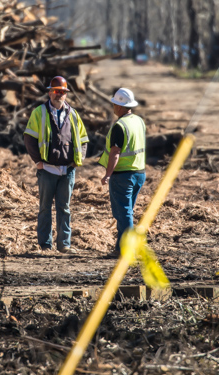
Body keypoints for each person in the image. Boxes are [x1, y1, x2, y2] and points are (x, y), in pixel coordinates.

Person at [24, 76, 89, 254]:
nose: (58, 94)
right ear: (49, 92)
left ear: (66, 94)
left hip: (67, 170)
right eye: (55, 91)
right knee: (45, 207)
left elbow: (83, 139)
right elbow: (29, 138)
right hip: (47, 169)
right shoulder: (39, 112)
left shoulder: (73, 114)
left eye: (61, 92)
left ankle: (64, 245)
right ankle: (45, 245)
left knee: (64, 208)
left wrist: (78, 160)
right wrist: (38, 161)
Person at [99, 88, 146, 256]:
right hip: (139, 173)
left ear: (119, 106)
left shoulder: (120, 126)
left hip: (123, 175)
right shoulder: (139, 121)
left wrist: (108, 174)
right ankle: (120, 248)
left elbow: (115, 153)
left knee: (124, 213)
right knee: (126, 211)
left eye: (114, 103)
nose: (113, 106)